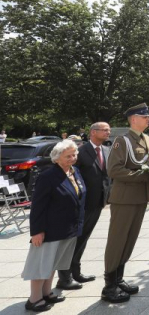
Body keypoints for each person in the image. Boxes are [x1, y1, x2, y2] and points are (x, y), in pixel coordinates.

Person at [22, 140, 85, 312]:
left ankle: (46, 292)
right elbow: (38, 206)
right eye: (68, 156)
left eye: (74, 155)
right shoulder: (48, 176)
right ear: (56, 158)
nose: (72, 158)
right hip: (49, 229)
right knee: (41, 264)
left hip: (68, 228)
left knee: (53, 263)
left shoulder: (75, 171)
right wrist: (37, 231)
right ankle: (34, 299)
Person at [102, 103, 149, 303]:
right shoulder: (122, 141)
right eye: (145, 116)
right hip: (124, 198)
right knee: (117, 240)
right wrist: (142, 176)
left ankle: (119, 278)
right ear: (133, 119)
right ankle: (109, 286)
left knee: (129, 240)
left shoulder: (146, 139)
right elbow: (114, 170)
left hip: (141, 196)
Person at [56, 122, 111, 289]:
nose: (108, 132)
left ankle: (75, 272)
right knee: (72, 240)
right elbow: (69, 173)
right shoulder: (80, 151)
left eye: (109, 130)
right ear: (93, 132)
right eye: (105, 130)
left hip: (98, 202)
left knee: (83, 238)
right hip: (80, 203)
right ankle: (64, 278)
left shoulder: (107, 150)